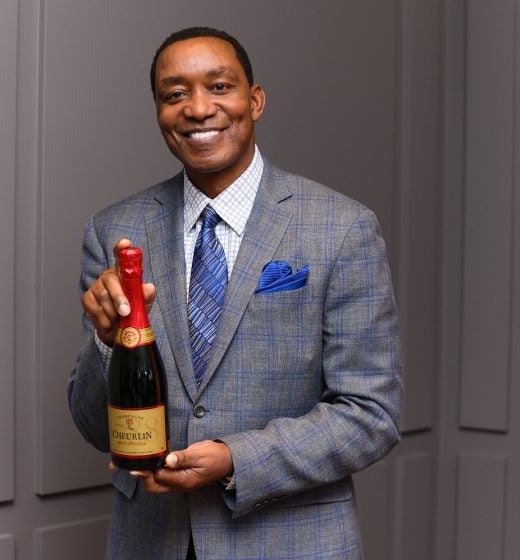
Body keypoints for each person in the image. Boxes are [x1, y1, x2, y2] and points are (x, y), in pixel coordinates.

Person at [68, 26, 403, 560]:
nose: (199, 109)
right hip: (150, 542)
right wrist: (105, 344)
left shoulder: (341, 228)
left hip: (291, 543)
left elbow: (370, 414)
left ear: (256, 100)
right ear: (159, 112)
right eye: (175, 94)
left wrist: (236, 459)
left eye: (219, 87)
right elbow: (95, 427)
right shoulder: (115, 231)